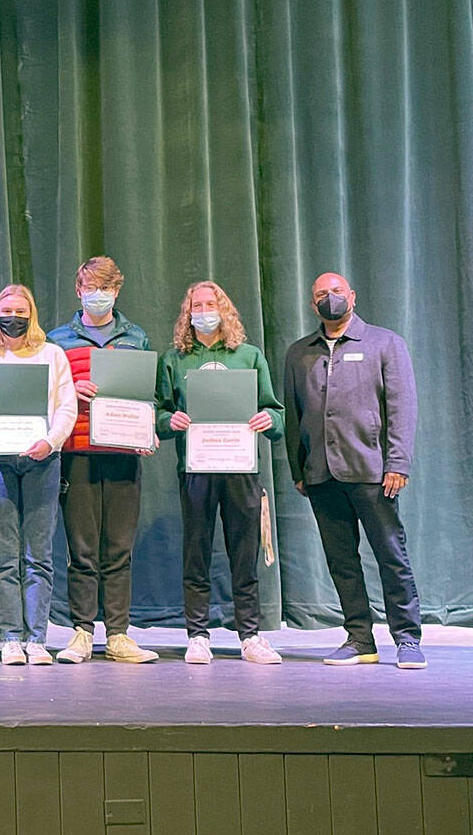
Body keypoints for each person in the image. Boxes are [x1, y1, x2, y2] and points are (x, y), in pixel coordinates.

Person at [283, 273, 424, 668]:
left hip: (373, 472)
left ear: (352, 297)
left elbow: (402, 407)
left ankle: (407, 638)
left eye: (337, 291)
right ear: (313, 304)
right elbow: (294, 415)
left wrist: (397, 462)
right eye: (321, 294)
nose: (330, 298)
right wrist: (299, 468)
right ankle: (360, 638)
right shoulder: (298, 353)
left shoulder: (385, 343)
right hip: (320, 474)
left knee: (391, 556)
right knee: (341, 562)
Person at [155, 281, 284, 665]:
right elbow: (158, 412)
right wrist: (169, 421)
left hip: (241, 469)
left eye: (210, 304)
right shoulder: (175, 359)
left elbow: (275, 412)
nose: (204, 311)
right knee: (196, 553)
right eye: (196, 305)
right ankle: (197, 635)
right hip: (196, 468)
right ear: (187, 313)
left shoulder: (249, 356)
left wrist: (268, 419)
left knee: (244, 555)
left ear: (224, 309)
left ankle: (250, 635)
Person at [48, 257, 158, 664]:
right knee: (81, 549)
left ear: (117, 290)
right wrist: (69, 392)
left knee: (119, 548)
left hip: (123, 454)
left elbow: (148, 395)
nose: (98, 294)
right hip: (76, 453)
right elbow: (47, 397)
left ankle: (118, 635)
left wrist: (147, 431)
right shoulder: (58, 340)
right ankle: (81, 631)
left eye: (106, 287)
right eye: (91, 287)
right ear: (78, 290)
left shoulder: (136, 337)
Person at [0, 284, 77, 665]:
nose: (13, 318)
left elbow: (67, 408)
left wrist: (51, 441)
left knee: (39, 553)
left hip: (42, 459)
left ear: (32, 316)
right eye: (6, 312)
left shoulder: (52, 355)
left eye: (20, 312)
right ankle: (11, 637)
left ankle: (37, 639)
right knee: (4, 554)